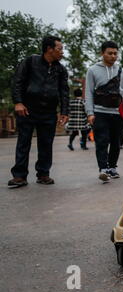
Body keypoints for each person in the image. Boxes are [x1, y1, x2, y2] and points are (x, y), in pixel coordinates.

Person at [8, 36, 69, 188]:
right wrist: (18, 102)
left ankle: (43, 174)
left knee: (46, 144)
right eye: (59, 49)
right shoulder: (30, 62)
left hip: (48, 112)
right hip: (27, 109)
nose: (62, 52)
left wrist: (64, 111)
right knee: (23, 142)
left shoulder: (61, 69)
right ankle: (19, 176)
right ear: (49, 49)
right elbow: (17, 82)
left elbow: (64, 91)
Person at [85, 41, 123, 182]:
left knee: (116, 142)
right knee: (101, 141)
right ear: (102, 53)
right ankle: (103, 168)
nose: (113, 56)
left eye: (115, 53)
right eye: (109, 53)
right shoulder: (93, 70)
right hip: (100, 112)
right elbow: (88, 93)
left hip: (118, 113)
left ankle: (112, 167)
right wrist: (90, 112)